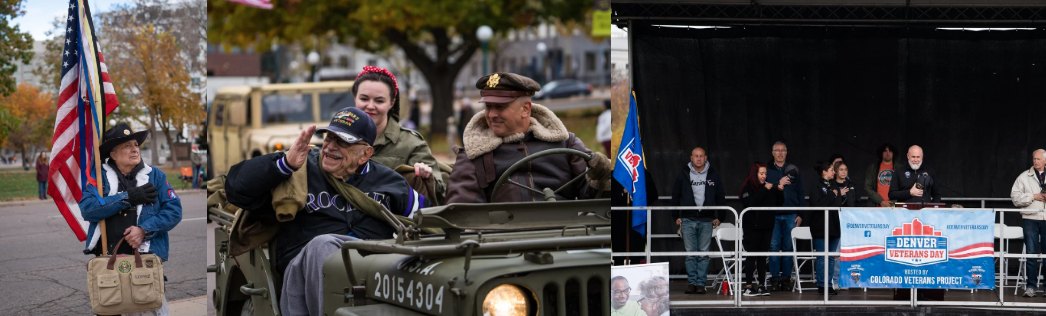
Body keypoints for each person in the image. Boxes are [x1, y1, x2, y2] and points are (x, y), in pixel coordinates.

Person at [225, 107, 426, 316]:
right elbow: (235, 188)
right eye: (329, 137)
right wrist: (286, 164)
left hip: (371, 273)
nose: (330, 147)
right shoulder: (300, 169)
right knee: (323, 246)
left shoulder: (389, 182)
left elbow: (429, 221)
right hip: (303, 275)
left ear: (365, 154)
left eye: (342, 141)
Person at [446, 72, 611, 203]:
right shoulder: (474, 153)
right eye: (488, 107)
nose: (492, 114)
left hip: (565, 234)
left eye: (500, 107)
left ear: (525, 109)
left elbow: (594, 200)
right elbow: (463, 212)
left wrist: (602, 178)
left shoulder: (566, 143)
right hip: (503, 240)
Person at [78, 123, 182, 315]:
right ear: (114, 154)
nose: (135, 149)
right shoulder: (100, 177)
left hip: (145, 262)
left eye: (136, 144)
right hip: (108, 262)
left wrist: (144, 230)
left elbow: (174, 211)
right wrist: (128, 198)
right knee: (110, 308)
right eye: (127, 146)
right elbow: (87, 210)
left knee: (151, 307)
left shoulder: (156, 175)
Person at [352, 66, 445, 203]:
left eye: (379, 101)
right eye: (364, 99)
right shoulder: (339, 138)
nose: (370, 106)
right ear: (355, 98)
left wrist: (426, 177)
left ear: (392, 103)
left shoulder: (411, 143)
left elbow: (440, 193)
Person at [670, 147, 725, 294]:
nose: (699, 158)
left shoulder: (713, 174)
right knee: (690, 254)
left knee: (703, 254)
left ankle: (701, 284)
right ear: (691, 158)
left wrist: (720, 217)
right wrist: (676, 217)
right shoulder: (683, 174)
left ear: (705, 158)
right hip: (688, 219)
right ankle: (691, 283)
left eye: (701, 156)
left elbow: (720, 196)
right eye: (696, 156)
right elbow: (675, 196)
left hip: (707, 220)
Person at [764, 141, 805, 291]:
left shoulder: (793, 169)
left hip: (791, 214)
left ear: (786, 153)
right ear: (772, 152)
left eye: (783, 151)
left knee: (788, 247)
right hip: (773, 214)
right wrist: (777, 183)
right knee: (774, 247)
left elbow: (800, 192)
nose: (780, 153)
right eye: (777, 150)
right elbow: (764, 189)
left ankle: (786, 279)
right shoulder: (766, 169)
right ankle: (774, 279)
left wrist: (801, 213)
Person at [811, 161, 853, 295]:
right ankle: (822, 285)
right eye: (831, 170)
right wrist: (832, 194)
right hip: (820, 226)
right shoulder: (816, 186)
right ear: (824, 172)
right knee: (822, 257)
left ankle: (829, 285)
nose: (834, 172)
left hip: (834, 226)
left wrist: (835, 195)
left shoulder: (834, 185)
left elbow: (837, 203)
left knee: (830, 257)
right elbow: (818, 204)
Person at [1013, 149, 1046, 297]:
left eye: (1039, 159)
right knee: (1031, 254)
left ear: (1045, 161)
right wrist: (1033, 196)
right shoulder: (1024, 177)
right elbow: (1015, 198)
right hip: (1030, 219)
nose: (1036, 161)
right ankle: (1031, 287)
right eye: (1034, 159)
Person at [740, 162, 776, 297]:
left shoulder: (767, 188)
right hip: (752, 228)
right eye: (761, 173)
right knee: (751, 256)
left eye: (765, 174)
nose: (764, 176)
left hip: (766, 227)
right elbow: (750, 203)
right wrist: (764, 190)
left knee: (762, 257)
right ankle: (748, 286)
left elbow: (776, 203)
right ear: (755, 174)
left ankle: (761, 285)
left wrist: (779, 190)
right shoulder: (747, 188)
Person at [864, 143, 898, 207]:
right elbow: (867, 186)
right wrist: (880, 201)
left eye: (890, 151)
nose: (888, 153)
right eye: (885, 151)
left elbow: (903, 188)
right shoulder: (873, 167)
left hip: (894, 206)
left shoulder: (899, 168)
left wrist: (893, 202)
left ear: (893, 153)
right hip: (876, 204)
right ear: (881, 153)